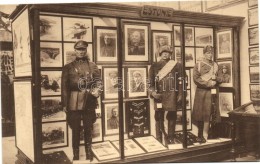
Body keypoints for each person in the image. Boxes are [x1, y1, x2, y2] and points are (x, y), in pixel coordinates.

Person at [62, 40, 102, 161]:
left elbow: (98, 82)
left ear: (86, 51)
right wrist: (65, 104)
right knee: (75, 128)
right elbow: (64, 88)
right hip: (73, 101)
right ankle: (76, 154)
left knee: (88, 127)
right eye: (78, 49)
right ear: (75, 51)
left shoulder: (92, 65)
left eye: (83, 49)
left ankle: (89, 153)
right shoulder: (68, 67)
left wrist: (97, 91)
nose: (81, 52)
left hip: (89, 100)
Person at [148, 45, 183, 144]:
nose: (165, 54)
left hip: (172, 94)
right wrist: (153, 92)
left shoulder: (177, 65)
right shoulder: (154, 66)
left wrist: (180, 94)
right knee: (158, 116)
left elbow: (182, 81)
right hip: (159, 95)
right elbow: (150, 82)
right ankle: (159, 138)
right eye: (163, 53)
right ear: (160, 54)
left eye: (167, 53)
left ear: (170, 54)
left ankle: (171, 137)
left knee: (172, 116)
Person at [192, 45, 221, 143]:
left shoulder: (216, 65)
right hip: (202, 92)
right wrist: (208, 83)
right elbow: (196, 79)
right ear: (204, 54)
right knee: (200, 113)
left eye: (211, 53)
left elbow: (221, 78)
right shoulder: (198, 65)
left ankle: (209, 134)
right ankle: (200, 135)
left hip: (213, 91)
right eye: (208, 53)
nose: (210, 55)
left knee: (211, 113)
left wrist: (216, 80)